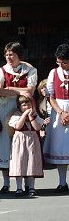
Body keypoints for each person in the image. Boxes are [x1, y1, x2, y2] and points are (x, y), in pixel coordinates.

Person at [0, 42, 37, 192]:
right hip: (6, 109)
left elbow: (30, 91)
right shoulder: (0, 70)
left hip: (24, 108)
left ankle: (28, 183)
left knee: (25, 146)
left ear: (19, 55)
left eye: (12, 54)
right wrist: (17, 92)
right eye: (7, 54)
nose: (9, 57)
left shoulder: (30, 70)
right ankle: (6, 183)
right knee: (5, 145)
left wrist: (10, 88)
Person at [42, 43, 69, 193]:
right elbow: (51, 96)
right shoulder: (53, 73)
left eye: (64, 62)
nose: (61, 65)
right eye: (59, 62)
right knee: (61, 149)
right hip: (59, 111)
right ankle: (62, 182)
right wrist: (61, 113)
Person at [8, 95, 43, 197]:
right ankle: (19, 188)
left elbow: (37, 127)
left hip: (32, 141)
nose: (26, 107)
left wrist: (31, 117)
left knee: (32, 163)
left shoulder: (35, 115)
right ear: (19, 107)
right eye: (24, 105)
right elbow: (18, 126)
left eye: (28, 104)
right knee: (19, 163)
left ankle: (31, 187)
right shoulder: (16, 116)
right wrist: (24, 115)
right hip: (20, 141)